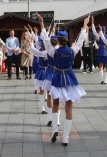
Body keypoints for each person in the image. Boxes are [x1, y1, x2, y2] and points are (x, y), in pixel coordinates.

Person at [37, 13, 88, 146]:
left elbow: (46, 41)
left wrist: (42, 24)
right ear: (67, 40)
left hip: (58, 77)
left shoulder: (54, 52)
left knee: (55, 103)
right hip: (70, 78)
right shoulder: (72, 50)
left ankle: (55, 129)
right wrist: (84, 26)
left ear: (58, 40)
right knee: (69, 106)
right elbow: (81, 41)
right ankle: (65, 137)